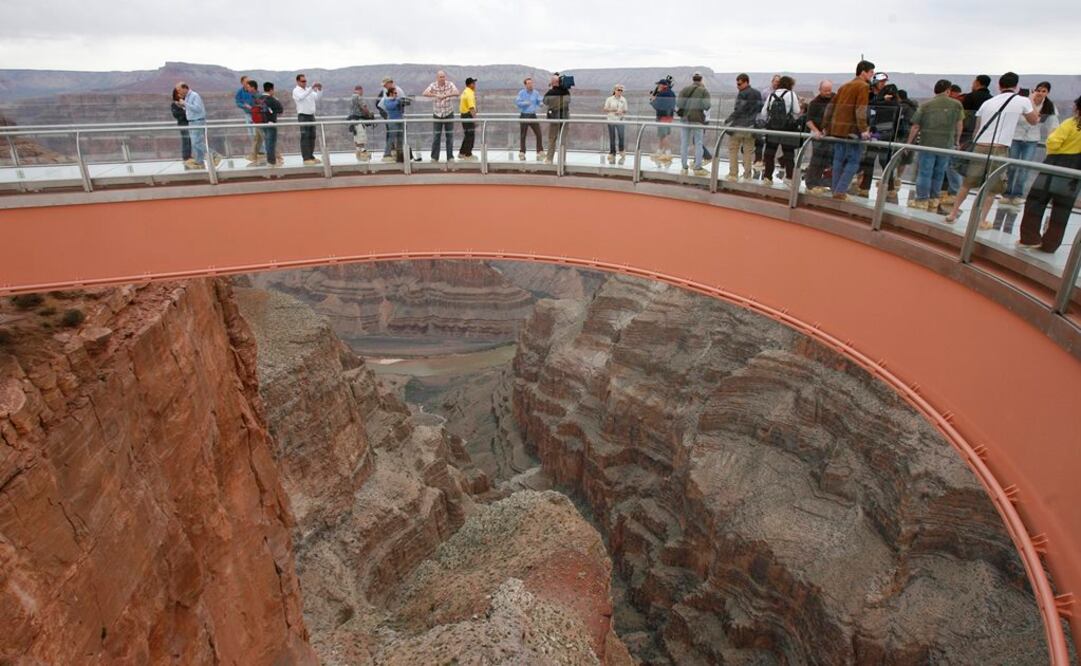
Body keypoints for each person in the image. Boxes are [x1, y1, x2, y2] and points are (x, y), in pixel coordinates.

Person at [945, 72, 1038, 226]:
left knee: (967, 183)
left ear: (999, 86)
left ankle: (953, 213)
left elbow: (977, 127)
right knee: (993, 187)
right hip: (999, 148)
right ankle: (981, 220)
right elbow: (1034, 120)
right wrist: (1032, 99)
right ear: (1016, 86)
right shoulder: (1021, 100)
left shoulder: (988, 102)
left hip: (980, 146)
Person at [1018, 95, 1081, 253]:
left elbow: (1053, 142)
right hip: (1075, 172)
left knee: (1036, 200)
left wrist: (1053, 150)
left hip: (1056, 164)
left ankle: (1030, 238)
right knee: (1062, 208)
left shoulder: (1071, 123)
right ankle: (1050, 244)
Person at [906, 79, 963, 210]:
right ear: (948, 90)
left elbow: (915, 126)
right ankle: (934, 199)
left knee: (924, 173)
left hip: (927, 144)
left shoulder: (926, 105)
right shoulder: (956, 104)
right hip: (946, 145)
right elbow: (959, 124)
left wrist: (909, 143)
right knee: (939, 172)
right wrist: (957, 141)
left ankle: (922, 200)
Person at [823, 60, 875, 200]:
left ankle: (835, 189)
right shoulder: (863, 86)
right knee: (853, 161)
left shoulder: (844, 86)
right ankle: (840, 191)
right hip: (852, 131)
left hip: (837, 130)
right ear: (863, 72)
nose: (872, 75)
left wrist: (826, 126)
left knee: (838, 160)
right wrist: (863, 129)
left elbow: (830, 107)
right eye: (871, 72)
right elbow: (860, 109)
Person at [1003, 82, 1060, 204]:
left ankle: (1018, 194)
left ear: (1047, 93)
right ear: (1034, 90)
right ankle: (1007, 193)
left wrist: (1053, 141)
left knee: (1024, 168)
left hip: (1032, 140)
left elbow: (1052, 125)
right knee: (1011, 166)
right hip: (1016, 137)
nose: (1040, 93)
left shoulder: (1049, 106)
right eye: (1038, 90)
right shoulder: (1024, 102)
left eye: (1043, 91)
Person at [856, 81, 902, 201]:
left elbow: (871, 104)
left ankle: (865, 187)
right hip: (888, 136)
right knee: (885, 163)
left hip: (876, 134)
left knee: (869, 161)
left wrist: (881, 98)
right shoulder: (897, 105)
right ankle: (890, 188)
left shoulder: (881, 104)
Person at [725, 73, 763, 181]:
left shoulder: (742, 94)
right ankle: (747, 175)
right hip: (751, 126)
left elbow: (739, 110)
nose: (738, 86)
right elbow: (760, 109)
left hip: (739, 125)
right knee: (748, 152)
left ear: (746, 82)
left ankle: (733, 174)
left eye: (739, 84)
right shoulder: (757, 93)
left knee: (733, 150)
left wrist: (729, 119)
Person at [762, 75, 799, 184]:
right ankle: (789, 178)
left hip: (772, 128)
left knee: (769, 153)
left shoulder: (771, 95)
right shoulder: (791, 94)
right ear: (790, 85)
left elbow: (764, 112)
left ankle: (767, 177)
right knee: (789, 153)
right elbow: (796, 110)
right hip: (787, 129)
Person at [175, 82, 218, 170]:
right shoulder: (187, 97)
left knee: (196, 142)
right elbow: (191, 109)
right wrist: (182, 106)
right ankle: (199, 161)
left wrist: (185, 104)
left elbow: (198, 108)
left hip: (197, 121)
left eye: (179, 90)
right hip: (192, 122)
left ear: (184, 88)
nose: (178, 92)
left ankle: (214, 155)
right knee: (195, 143)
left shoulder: (194, 95)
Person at [803, 80, 834, 193]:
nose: (828, 93)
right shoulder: (814, 103)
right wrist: (817, 131)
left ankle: (820, 183)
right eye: (825, 90)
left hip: (831, 135)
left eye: (829, 90)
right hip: (818, 136)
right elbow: (809, 120)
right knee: (817, 160)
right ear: (820, 90)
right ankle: (811, 183)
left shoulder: (834, 99)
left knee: (826, 161)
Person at [677, 72, 711, 176]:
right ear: (701, 80)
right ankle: (697, 166)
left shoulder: (684, 90)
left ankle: (684, 165)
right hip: (697, 119)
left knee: (684, 143)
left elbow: (679, 104)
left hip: (685, 119)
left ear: (693, 80)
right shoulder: (704, 91)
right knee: (698, 143)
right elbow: (707, 106)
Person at [423, 71, 459, 162]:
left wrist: (447, 95)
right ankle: (434, 157)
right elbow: (424, 93)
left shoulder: (450, 84)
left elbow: (457, 92)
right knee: (436, 136)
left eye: (443, 77)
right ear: (437, 78)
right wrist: (436, 95)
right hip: (437, 114)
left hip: (448, 113)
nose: (442, 78)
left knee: (450, 136)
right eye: (440, 77)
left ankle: (450, 157)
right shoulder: (433, 85)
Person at [292, 73, 323, 165]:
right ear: (298, 81)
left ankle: (310, 156)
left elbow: (317, 97)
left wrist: (320, 90)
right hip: (303, 116)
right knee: (305, 137)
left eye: (305, 81)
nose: (304, 83)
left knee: (312, 136)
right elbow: (301, 97)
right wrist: (311, 88)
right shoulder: (296, 91)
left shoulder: (308, 90)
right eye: (303, 81)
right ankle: (306, 158)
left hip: (311, 116)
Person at [754, 74, 781, 170]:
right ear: (772, 81)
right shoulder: (765, 92)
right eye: (776, 81)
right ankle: (758, 160)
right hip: (763, 120)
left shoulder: (781, 93)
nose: (777, 83)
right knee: (759, 141)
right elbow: (759, 106)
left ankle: (766, 161)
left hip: (774, 122)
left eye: (779, 82)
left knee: (770, 143)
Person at [543, 74, 571, 164]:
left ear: (554, 83)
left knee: (552, 138)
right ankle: (562, 159)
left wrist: (551, 89)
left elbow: (545, 101)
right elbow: (568, 101)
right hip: (565, 117)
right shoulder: (566, 92)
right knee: (563, 139)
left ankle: (549, 159)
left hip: (554, 118)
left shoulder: (550, 93)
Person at [515, 77, 544, 161]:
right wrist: (525, 103)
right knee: (523, 135)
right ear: (525, 85)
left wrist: (541, 103)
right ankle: (522, 152)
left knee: (538, 133)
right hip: (524, 115)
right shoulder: (521, 93)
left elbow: (539, 100)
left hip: (532, 115)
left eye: (531, 83)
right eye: (528, 83)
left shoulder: (536, 92)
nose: (530, 85)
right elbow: (518, 103)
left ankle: (539, 151)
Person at [649, 77, 676, 164]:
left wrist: (652, 99)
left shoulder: (661, 94)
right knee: (662, 135)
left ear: (662, 85)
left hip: (662, 117)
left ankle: (668, 153)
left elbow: (656, 106)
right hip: (669, 116)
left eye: (659, 85)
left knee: (663, 135)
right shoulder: (672, 93)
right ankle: (659, 152)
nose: (658, 86)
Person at [348, 85, 374, 162]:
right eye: (362, 91)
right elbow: (364, 107)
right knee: (361, 136)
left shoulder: (351, 97)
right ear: (360, 90)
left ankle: (358, 153)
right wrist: (369, 114)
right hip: (358, 120)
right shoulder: (358, 97)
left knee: (356, 137)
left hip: (353, 120)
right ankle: (363, 154)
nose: (362, 93)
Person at [242, 78, 266, 165]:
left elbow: (262, 107)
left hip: (259, 121)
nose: (247, 89)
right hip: (256, 120)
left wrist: (250, 108)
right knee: (257, 139)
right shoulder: (254, 95)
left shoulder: (258, 96)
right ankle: (254, 155)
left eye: (248, 87)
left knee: (264, 138)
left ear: (253, 87)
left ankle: (277, 156)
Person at [604, 84, 628, 164]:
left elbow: (625, 109)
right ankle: (612, 152)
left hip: (620, 120)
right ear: (614, 90)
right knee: (612, 137)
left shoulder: (623, 99)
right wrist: (613, 110)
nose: (620, 91)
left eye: (621, 90)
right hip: (611, 120)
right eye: (618, 90)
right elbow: (605, 108)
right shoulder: (609, 99)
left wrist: (621, 111)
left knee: (621, 136)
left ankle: (621, 151)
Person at [261, 82, 284, 167]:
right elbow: (281, 110)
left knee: (267, 142)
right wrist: (276, 100)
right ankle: (271, 162)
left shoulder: (259, 98)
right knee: (271, 142)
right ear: (271, 90)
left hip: (262, 123)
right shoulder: (272, 99)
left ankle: (270, 160)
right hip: (271, 123)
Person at [383, 85, 406, 162]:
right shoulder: (386, 100)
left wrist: (402, 103)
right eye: (395, 93)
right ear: (390, 93)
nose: (396, 94)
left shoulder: (398, 100)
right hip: (392, 121)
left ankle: (399, 154)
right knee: (391, 138)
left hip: (400, 120)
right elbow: (390, 107)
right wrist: (397, 101)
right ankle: (387, 154)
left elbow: (402, 109)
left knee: (400, 138)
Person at [457, 77, 478, 161]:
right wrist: (475, 119)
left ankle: (462, 152)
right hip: (468, 116)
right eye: (474, 83)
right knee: (470, 135)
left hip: (464, 115)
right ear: (470, 84)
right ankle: (468, 154)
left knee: (467, 135)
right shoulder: (469, 93)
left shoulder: (465, 92)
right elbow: (471, 108)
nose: (475, 85)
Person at [170, 87, 191, 163]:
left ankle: (189, 156)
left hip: (190, 124)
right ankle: (186, 157)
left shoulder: (185, 102)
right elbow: (176, 114)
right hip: (183, 125)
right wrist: (186, 113)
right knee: (186, 140)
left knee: (190, 140)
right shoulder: (175, 104)